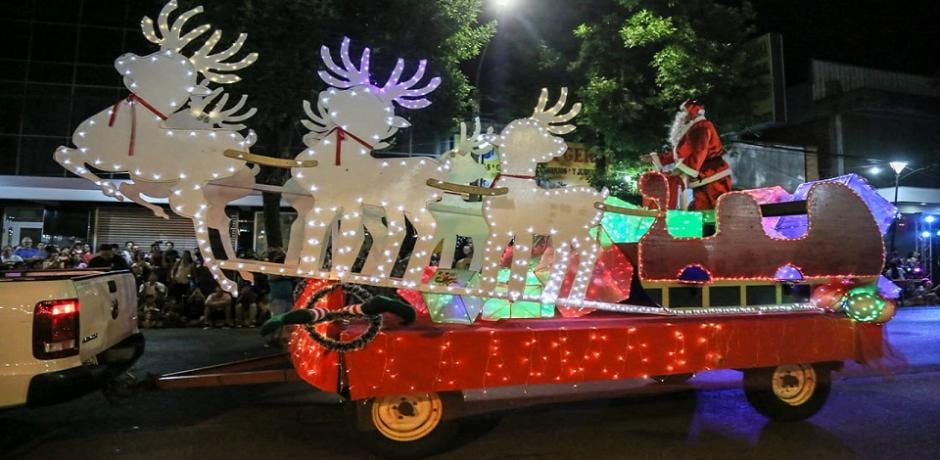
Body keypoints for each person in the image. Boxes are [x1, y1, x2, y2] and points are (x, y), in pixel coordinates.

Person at [645, 98, 731, 210]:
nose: (681, 116)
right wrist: (657, 158)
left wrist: (680, 169)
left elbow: (700, 152)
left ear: (692, 112)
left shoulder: (703, 126)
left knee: (719, 211)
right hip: (702, 177)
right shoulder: (693, 129)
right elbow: (681, 153)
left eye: (684, 112)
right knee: (703, 213)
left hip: (714, 175)